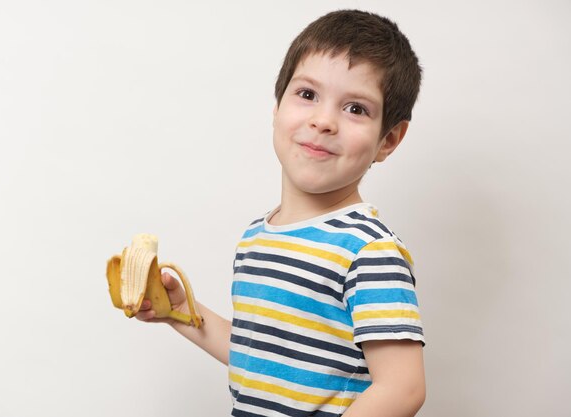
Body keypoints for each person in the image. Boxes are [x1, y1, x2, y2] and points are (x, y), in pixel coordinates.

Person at [137, 9, 426, 417]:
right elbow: (258, 357)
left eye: (355, 109)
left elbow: (403, 387)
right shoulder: (257, 236)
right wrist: (182, 312)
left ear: (389, 139)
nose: (323, 121)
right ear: (276, 108)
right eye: (307, 95)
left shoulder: (368, 250)